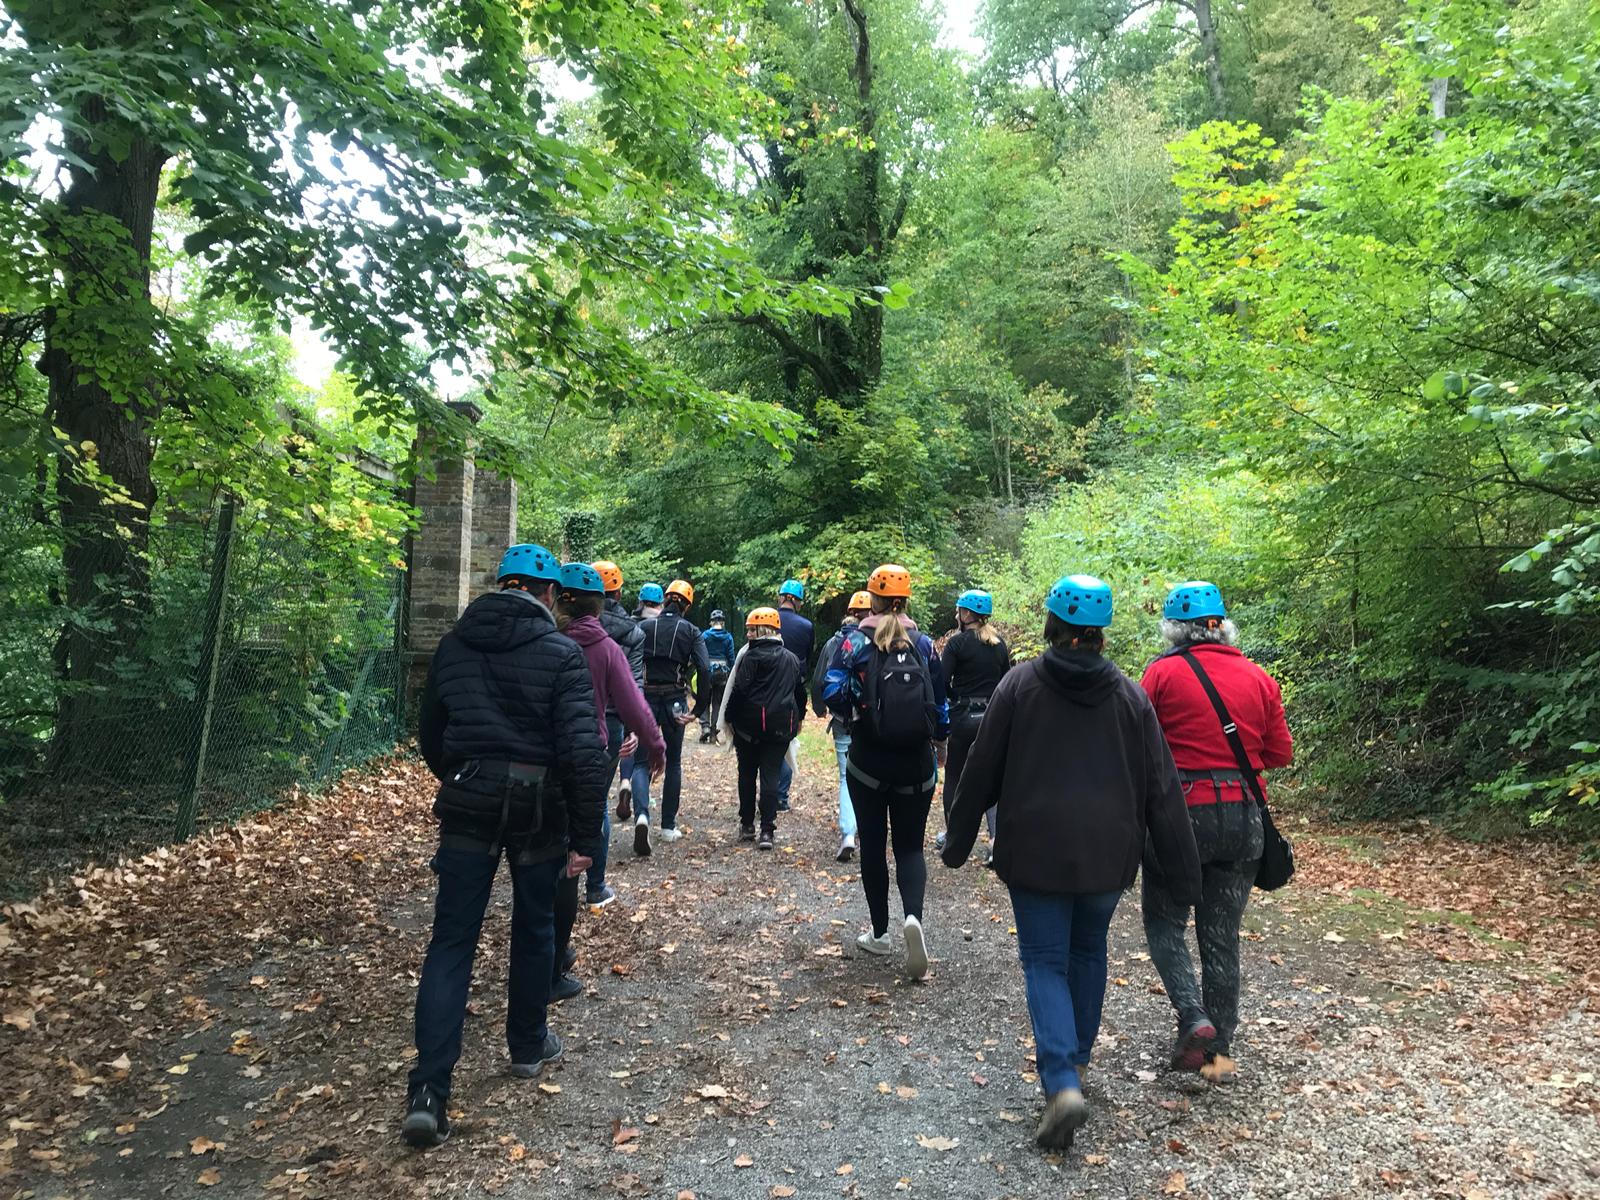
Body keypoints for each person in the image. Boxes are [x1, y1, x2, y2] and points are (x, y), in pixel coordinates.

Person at [942, 574, 1201, 1152]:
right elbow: (1161, 789)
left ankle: (1061, 1080)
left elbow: (981, 769)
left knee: (1044, 960)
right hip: (1109, 854)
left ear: (1051, 625)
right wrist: (1186, 874)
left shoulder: (1019, 685)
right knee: (1088, 951)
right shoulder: (1130, 696)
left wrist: (957, 840)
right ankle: (1076, 1064)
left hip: (1034, 850)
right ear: (1102, 632)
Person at [403, 543, 609, 1149]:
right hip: (537, 806)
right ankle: (526, 1043)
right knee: (535, 924)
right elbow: (582, 752)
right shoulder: (561, 653)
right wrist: (586, 835)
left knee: (451, 941)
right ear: (550, 594)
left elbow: (432, 735)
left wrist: (464, 776)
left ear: (500, 585)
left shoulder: (453, 646)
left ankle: (429, 1090)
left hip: (468, 802)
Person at [1140, 581, 1292, 1074]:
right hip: (1243, 817)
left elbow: (1140, 747)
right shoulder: (1259, 677)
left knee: (1165, 922)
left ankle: (1192, 1015)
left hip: (1179, 818)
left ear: (1173, 629)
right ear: (1221, 625)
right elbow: (1279, 754)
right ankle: (1218, 1052)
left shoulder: (1161, 674)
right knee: (1221, 936)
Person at [823, 564, 948, 982]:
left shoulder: (854, 642)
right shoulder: (924, 644)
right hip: (916, 764)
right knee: (910, 848)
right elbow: (940, 701)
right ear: (906, 599)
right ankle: (913, 918)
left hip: (868, 762)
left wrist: (855, 713)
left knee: (874, 846)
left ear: (872, 600)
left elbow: (831, 690)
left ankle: (879, 933)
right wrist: (940, 741)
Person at [549, 563, 667, 1000]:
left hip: (540, 756)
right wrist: (655, 745)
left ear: (557, 598)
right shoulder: (607, 645)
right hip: (593, 747)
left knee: (544, 848)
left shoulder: (545, 638)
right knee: (585, 825)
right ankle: (591, 892)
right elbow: (633, 698)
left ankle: (547, 947)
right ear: (600, 605)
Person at [629, 579, 710, 854]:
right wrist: (698, 709)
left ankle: (642, 816)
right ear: (686, 606)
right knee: (673, 762)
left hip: (646, 699)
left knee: (641, 762)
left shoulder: (642, 628)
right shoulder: (691, 631)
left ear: (665, 600)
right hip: (675, 701)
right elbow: (705, 669)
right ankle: (667, 827)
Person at [718, 607, 807, 850]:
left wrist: (729, 718)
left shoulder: (750, 657)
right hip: (780, 729)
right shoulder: (791, 659)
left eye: (751, 629)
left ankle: (747, 825)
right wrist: (800, 718)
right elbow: (799, 693)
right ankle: (767, 830)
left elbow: (739, 691)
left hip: (748, 729)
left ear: (763, 630)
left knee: (747, 775)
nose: (748, 634)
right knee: (771, 776)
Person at [936, 589, 1011, 861]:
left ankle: (953, 838)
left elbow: (941, 681)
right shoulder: (999, 645)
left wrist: (954, 698)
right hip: (991, 719)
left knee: (955, 776)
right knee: (992, 778)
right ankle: (996, 841)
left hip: (963, 717)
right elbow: (1006, 683)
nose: (957, 615)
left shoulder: (956, 644)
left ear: (967, 614)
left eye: (959, 611)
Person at [586, 559, 644, 906]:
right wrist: (634, 727)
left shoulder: (564, 625)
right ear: (619, 593)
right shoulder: (631, 633)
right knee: (597, 802)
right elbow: (633, 685)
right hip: (611, 723)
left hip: (573, 717)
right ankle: (595, 886)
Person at [811, 589, 872, 861]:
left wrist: (820, 708)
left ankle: (848, 833)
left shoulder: (834, 643)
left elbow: (819, 680)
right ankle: (868, 827)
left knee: (846, 776)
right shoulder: (879, 639)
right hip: (872, 721)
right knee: (872, 774)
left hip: (842, 719)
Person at [613, 580, 663, 821]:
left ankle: (624, 781)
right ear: (660, 604)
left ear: (640, 602)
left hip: (627, 690)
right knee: (643, 756)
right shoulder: (662, 627)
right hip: (656, 693)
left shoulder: (628, 625)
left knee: (627, 742)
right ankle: (643, 812)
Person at [773, 578, 814, 812]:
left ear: (781, 597)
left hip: (765, 689)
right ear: (798, 601)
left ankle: (769, 792)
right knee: (787, 742)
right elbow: (806, 660)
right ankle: (781, 797)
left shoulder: (768, 620)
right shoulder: (806, 626)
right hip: (793, 691)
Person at [700, 611, 737, 743]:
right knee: (717, 703)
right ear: (723, 623)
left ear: (711, 622)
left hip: (707, 672)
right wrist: (733, 672)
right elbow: (731, 657)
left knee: (704, 700)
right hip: (722, 673)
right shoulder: (728, 637)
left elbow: (700, 653)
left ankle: (705, 727)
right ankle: (713, 732)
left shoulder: (705, 635)